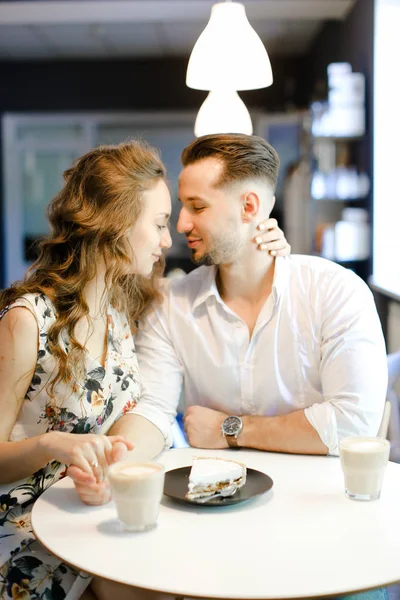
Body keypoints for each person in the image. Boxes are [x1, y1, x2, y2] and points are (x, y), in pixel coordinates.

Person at [0, 139, 289, 600]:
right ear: (114, 226)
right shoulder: (27, 320)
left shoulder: (123, 306)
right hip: (32, 530)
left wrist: (264, 248)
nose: (168, 238)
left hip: (94, 511)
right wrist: (52, 445)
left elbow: (228, 274)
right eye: (157, 223)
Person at [130, 133, 387, 457]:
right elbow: (152, 407)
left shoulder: (335, 292)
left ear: (249, 207)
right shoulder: (171, 304)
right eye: (183, 207)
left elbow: (353, 425)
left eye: (197, 206)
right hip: (210, 501)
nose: (181, 224)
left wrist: (230, 428)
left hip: (319, 502)